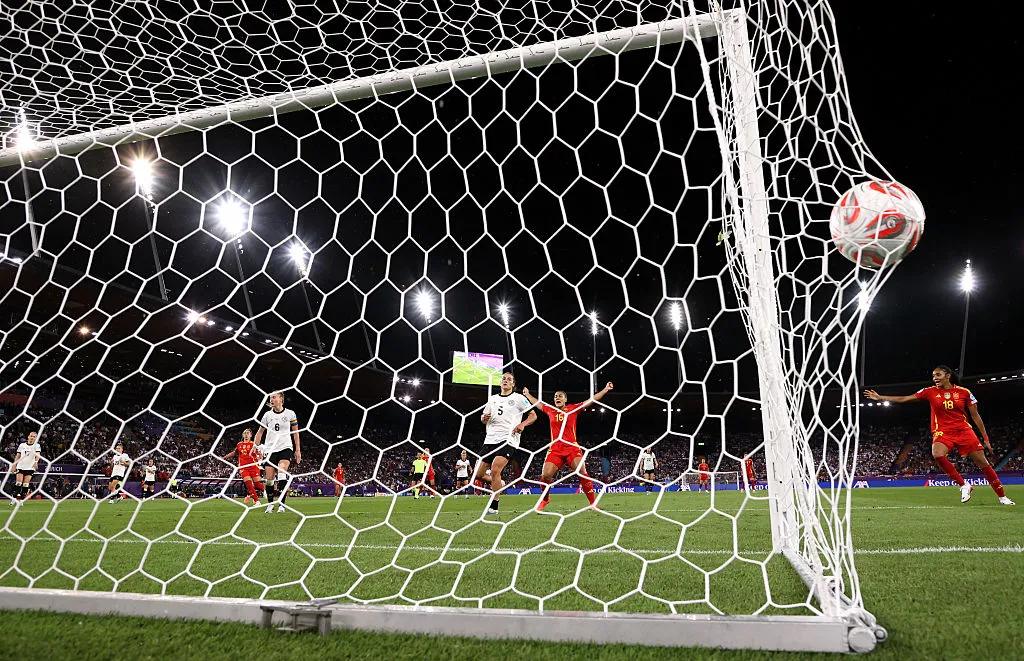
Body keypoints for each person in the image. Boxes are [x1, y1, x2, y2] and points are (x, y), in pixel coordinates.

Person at [864, 365, 1013, 505]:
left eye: (938, 375)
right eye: (933, 375)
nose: (935, 378)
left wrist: (985, 438)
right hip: (942, 431)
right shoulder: (929, 391)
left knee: (983, 463)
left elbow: (975, 416)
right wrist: (880, 397)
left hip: (963, 431)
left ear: (947, 376)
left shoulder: (964, 392)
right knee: (937, 454)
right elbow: (906, 398)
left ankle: (1002, 496)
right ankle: (964, 485)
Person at [522, 382, 613, 511]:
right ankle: (546, 499)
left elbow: (591, 400)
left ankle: (593, 503)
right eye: (555, 396)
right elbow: (538, 403)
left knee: (582, 472)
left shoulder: (573, 408)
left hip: (572, 447)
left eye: (560, 396)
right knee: (545, 475)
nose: (557, 398)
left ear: (565, 399)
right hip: (555, 448)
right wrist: (527, 394)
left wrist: (605, 389)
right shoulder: (550, 410)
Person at [473, 372, 537, 515]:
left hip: (508, 439)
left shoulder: (519, 398)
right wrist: (484, 418)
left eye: (509, 379)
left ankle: (494, 505)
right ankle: (499, 483)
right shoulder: (492, 399)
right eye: (504, 379)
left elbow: (533, 415)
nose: (506, 381)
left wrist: (523, 425)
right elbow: (484, 419)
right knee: (477, 475)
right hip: (490, 439)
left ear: (513, 384)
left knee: (496, 470)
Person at [253, 392, 301, 513]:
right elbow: (260, 432)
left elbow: (296, 432)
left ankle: (281, 505)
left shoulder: (290, 413)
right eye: (270, 398)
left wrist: (298, 450)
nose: (272, 399)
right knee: (269, 480)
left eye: (274, 397)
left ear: (281, 399)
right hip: (270, 449)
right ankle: (270, 505)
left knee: (281, 472)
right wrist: (255, 446)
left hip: (285, 448)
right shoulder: (267, 415)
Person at [221, 428, 266, 505]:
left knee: (257, 485)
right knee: (249, 485)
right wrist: (224, 457)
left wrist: (259, 457)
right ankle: (257, 501)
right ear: (243, 435)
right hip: (243, 467)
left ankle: (264, 490)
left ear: (251, 435)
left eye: (248, 433)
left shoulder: (253, 444)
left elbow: (260, 454)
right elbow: (234, 452)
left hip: (253, 466)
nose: (246, 434)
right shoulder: (239, 444)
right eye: (245, 433)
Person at [9, 431, 41, 506]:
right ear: (28, 436)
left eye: (34, 437)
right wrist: (14, 465)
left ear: (36, 438)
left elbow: (38, 455)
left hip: (30, 467)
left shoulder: (37, 445)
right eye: (31, 436)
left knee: (26, 484)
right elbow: (17, 456)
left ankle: (22, 500)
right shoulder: (22, 445)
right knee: (18, 483)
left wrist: (36, 462)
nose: (32, 438)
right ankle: (13, 499)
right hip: (20, 466)